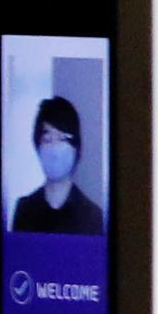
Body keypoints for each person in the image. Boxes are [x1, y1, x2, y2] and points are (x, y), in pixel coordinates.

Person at [12, 94, 106, 237]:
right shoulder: (24, 209)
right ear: (38, 147)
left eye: (62, 139)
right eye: (47, 139)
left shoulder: (92, 216)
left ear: (76, 148)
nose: (54, 148)